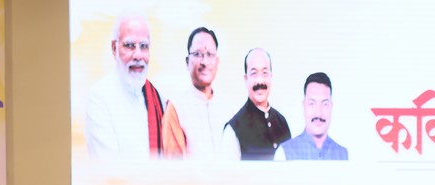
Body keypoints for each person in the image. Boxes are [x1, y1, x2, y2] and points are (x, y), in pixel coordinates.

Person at [85, 13, 164, 158]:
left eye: (144, 46)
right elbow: (108, 166)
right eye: (129, 46)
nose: (138, 55)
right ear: (114, 48)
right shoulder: (99, 97)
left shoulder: (158, 99)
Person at [161, 27, 228, 158]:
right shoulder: (177, 108)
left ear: (217, 61)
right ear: (187, 62)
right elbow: (173, 165)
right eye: (198, 54)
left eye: (210, 54)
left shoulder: (228, 108)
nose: (205, 62)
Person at [223, 48, 291, 160]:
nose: (260, 81)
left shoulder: (282, 123)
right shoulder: (233, 130)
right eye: (254, 73)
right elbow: (227, 171)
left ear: (271, 77)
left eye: (265, 73)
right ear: (246, 79)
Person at [280, 72, 349, 159]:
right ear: (304, 105)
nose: (318, 113)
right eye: (312, 103)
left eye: (325, 104)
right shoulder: (284, 152)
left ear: (331, 106)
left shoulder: (343, 154)